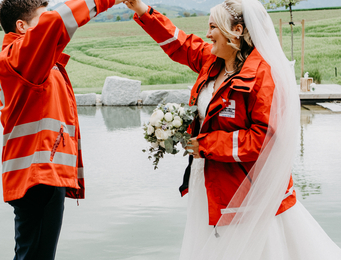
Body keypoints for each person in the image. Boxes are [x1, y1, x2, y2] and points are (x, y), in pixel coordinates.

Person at [124, 0, 341, 259]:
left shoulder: (264, 76)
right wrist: (141, 9)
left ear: (236, 31)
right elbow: (181, 44)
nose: (207, 34)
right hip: (209, 180)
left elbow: (264, 140)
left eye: (213, 26)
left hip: (246, 190)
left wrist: (205, 144)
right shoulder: (213, 61)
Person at [0, 0, 123, 259]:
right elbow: (56, 23)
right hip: (38, 174)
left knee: (32, 252)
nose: (48, 20)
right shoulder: (21, 58)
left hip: (37, 174)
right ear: (22, 27)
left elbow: (53, 33)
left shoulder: (26, 62)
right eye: (43, 16)